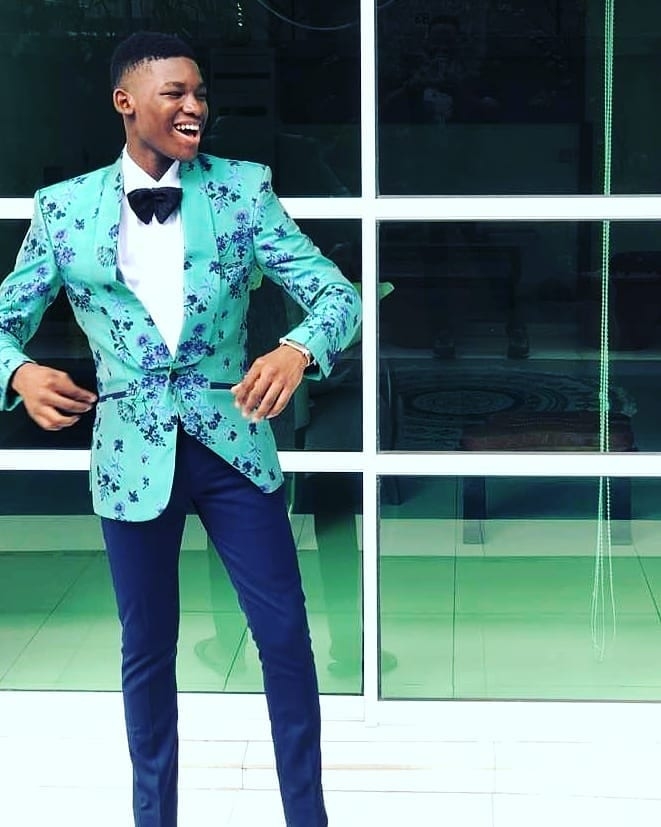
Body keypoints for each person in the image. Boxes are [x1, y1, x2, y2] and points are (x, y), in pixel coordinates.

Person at [0, 31, 361, 827]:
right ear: (125, 102)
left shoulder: (243, 190)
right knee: (146, 650)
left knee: (284, 637)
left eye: (199, 91)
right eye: (174, 92)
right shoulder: (63, 208)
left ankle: (307, 816)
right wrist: (18, 372)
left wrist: (298, 348)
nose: (194, 105)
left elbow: (338, 295)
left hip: (234, 446)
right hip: (130, 458)